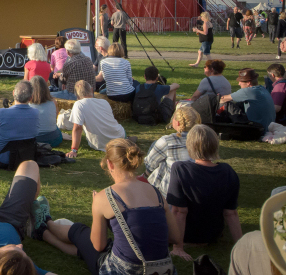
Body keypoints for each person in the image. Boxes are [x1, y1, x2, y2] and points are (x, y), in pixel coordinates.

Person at [39, 138, 184, 273]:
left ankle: (46, 223)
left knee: (81, 232)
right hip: (161, 270)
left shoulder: (106, 197)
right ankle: (45, 233)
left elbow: (98, 246)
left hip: (123, 269)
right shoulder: (156, 193)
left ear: (109, 164)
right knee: (98, 247)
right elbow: (175, 238)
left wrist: (96, 208)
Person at [167, 124, 241, 254]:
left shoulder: (180, 169)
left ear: (190, 146)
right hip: (212, 235)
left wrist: (178, 247)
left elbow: (179, 212)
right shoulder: (228, 171)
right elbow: (231, 213)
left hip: (187, 235)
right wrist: (241, 246)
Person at [144, 106, 201, 196]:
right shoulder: (202, 140)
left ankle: (151, 188)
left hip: (170, 191)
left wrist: (146, 174)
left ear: (177, 122)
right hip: (196, 188)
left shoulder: (167, 141)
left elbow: (150, 164)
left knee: (161, 160)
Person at [66, 81, 125, 157]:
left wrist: (74, 150)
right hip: (119, 136)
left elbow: (77, 128)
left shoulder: (79, 104)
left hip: (99, 143)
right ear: (91, 90)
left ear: (76, 94)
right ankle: (126, 139)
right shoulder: (104, 102)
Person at [28, 76, 62, 147]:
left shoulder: (26, 104)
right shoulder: (53, 102)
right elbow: (55, 119)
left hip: (33, 139)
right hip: (53, 139)